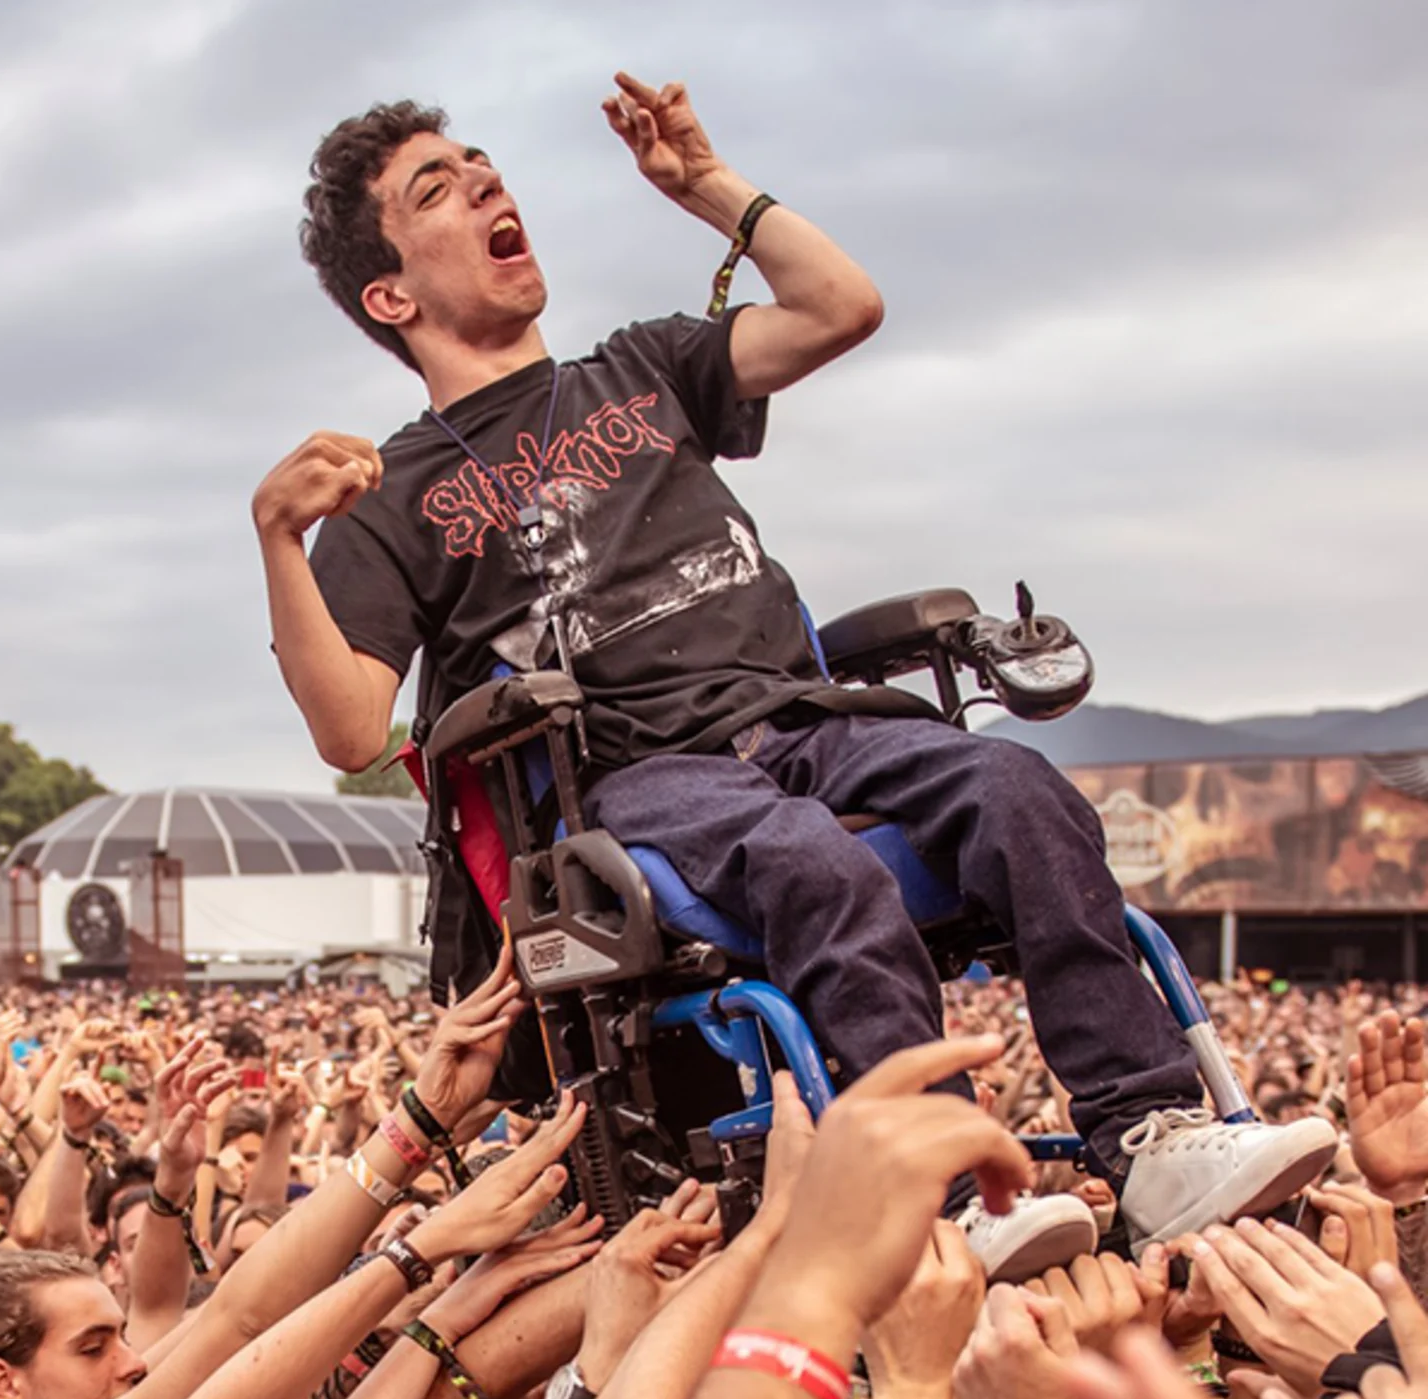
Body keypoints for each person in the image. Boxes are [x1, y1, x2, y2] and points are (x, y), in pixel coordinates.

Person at [252, 72, 1335, 1278]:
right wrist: (280, 543)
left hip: (801, 719)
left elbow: (842, 305)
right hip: (640, 777)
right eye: (438, 189)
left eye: (483, 164)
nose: (487, 183)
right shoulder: (390, 495)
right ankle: (928, 1190)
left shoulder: (641, 368)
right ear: (389, 291)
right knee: (812, 864)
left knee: (1022, 790)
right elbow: (351, 729)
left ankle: (1148, 1130)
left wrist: (704, 186)